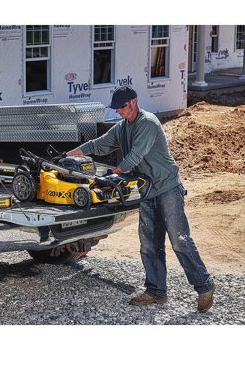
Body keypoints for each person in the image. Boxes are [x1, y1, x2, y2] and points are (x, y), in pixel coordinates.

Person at [67, 86, 215, 313]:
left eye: (122, 107)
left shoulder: (148, 123)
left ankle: (205, 286)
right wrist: (72, 154)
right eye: (116, 109)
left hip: (167, 188)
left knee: (179, 240)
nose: (118, 112)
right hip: (147, 190)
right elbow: (101, 143)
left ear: (134, 102)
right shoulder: (123, 126)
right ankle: (156, 292)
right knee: (149, 243)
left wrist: (111, 174)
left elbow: (134, 157)